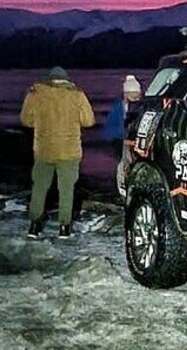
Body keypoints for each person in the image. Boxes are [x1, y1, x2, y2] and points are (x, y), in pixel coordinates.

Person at [20, 67, 95, 239]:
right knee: (66, 189)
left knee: (39, 187)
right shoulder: (77, 95)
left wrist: (41, 121)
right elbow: (89, 121)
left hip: (43, 149)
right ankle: (64, 228)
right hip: (69, 151)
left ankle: (34, 226)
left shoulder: (35, 93)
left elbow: (26, 120)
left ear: (50, 79)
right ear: (66, 80)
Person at [104, 75, 143, 153]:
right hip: (122, 143)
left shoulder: (142, 107)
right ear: (125, 94)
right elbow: (110, 134)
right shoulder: (117, 109)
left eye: (137, 95)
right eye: (133, 95)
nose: (135, 98)